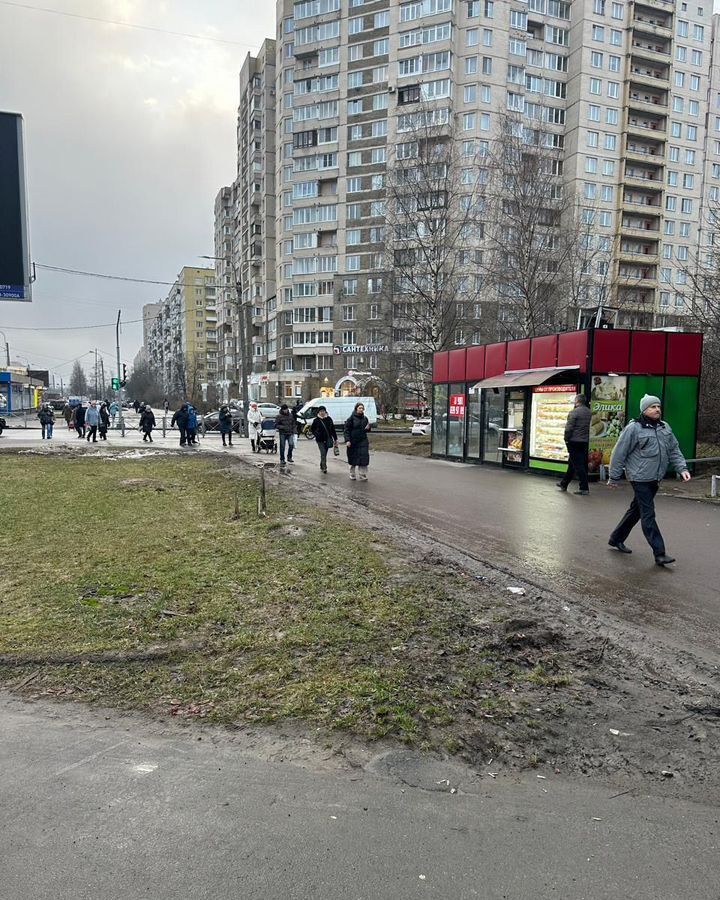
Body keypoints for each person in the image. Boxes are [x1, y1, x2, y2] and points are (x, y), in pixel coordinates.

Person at [607, 394, 691, 566]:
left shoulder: (664, 427)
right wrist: (614, 476)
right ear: (644, 410)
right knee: (648, 513)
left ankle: (616, 538)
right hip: (639, 477)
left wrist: (682, 468)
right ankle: (659, 552)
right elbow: (619, 452)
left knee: (636, 510)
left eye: (658, 406)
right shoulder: (634, 428)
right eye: (653, 407)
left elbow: (674, 449)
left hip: (655, 477)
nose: (657, 409)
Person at [557, 394, 592, 495]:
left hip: (574, 441)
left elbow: (569, 428)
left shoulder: (574, 412)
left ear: (577, 401)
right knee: (572, 463)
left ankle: (584, 488)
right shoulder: (588, 412)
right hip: (584, 441)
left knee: (578, 465)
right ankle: (564, 483)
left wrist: (566, 439)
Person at [344, 401, 371, 480]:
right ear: (356, 409)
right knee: (353, 458)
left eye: (362, 408)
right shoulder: (351, 419)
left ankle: (362, 474)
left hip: (363, 440)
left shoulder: (365, 418)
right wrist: (347, 440)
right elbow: (346, 430)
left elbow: (367, 429)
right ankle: (352, 473)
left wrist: (368, 428)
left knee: (363, 458)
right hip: (353, 441)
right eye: (360, 408)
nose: (361, 410)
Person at [310, 406, 338, 474]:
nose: (322, 413)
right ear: (318, 412)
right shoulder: (316, 420)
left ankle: (321, 464)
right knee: (323, 452)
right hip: (320, 440)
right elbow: (312, 429)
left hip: (328, 439)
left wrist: (335, 439)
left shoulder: (329, 419)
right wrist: (317, 434)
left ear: (325, 411)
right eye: (321, 411)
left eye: (323, 411)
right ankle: (324, 467)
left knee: (325, 453)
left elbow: (332, 429)